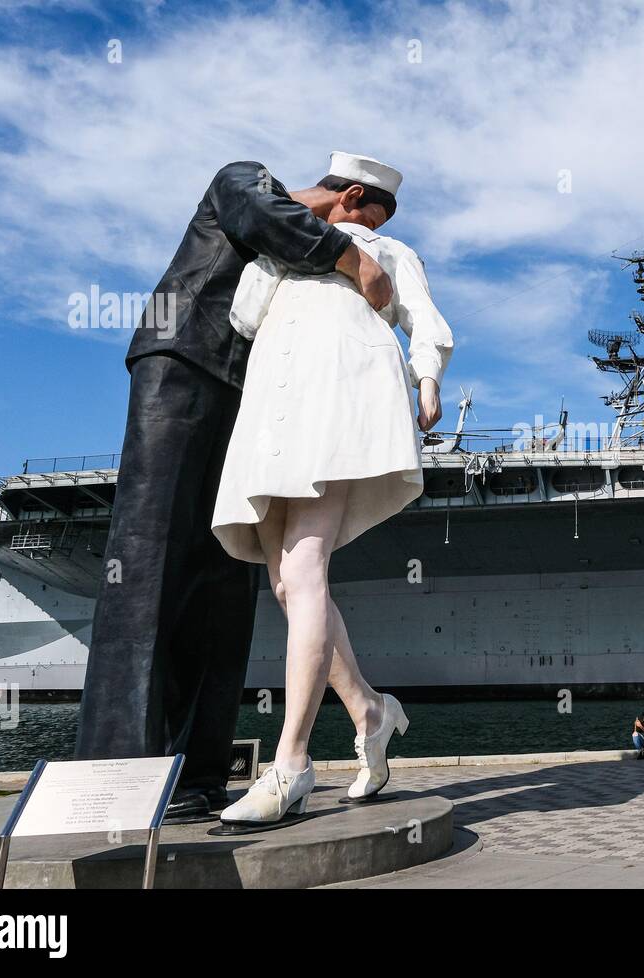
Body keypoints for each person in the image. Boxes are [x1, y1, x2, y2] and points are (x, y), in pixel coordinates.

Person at [74, 156, 395, 822]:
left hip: (246, 395)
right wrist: (355, 262)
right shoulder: (246, 179)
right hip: (182, 361)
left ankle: (196, 776)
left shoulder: (303, 259)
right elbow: (262, 217)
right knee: (148, 564)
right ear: (350, 197)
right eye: (367, 223)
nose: (368, 243)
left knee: (230, 578)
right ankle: (120, 776)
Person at [212, 152, 454, 825]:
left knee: (307, 563)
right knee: (287, 582)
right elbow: (241, 315)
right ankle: (371, 711)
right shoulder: (286, 247)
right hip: (273, 398)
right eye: (367, 210)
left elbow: (424, 319)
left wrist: (427, 378)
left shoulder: (390, 250)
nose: (368, 222)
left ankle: (289, 763)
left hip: (342, 387)